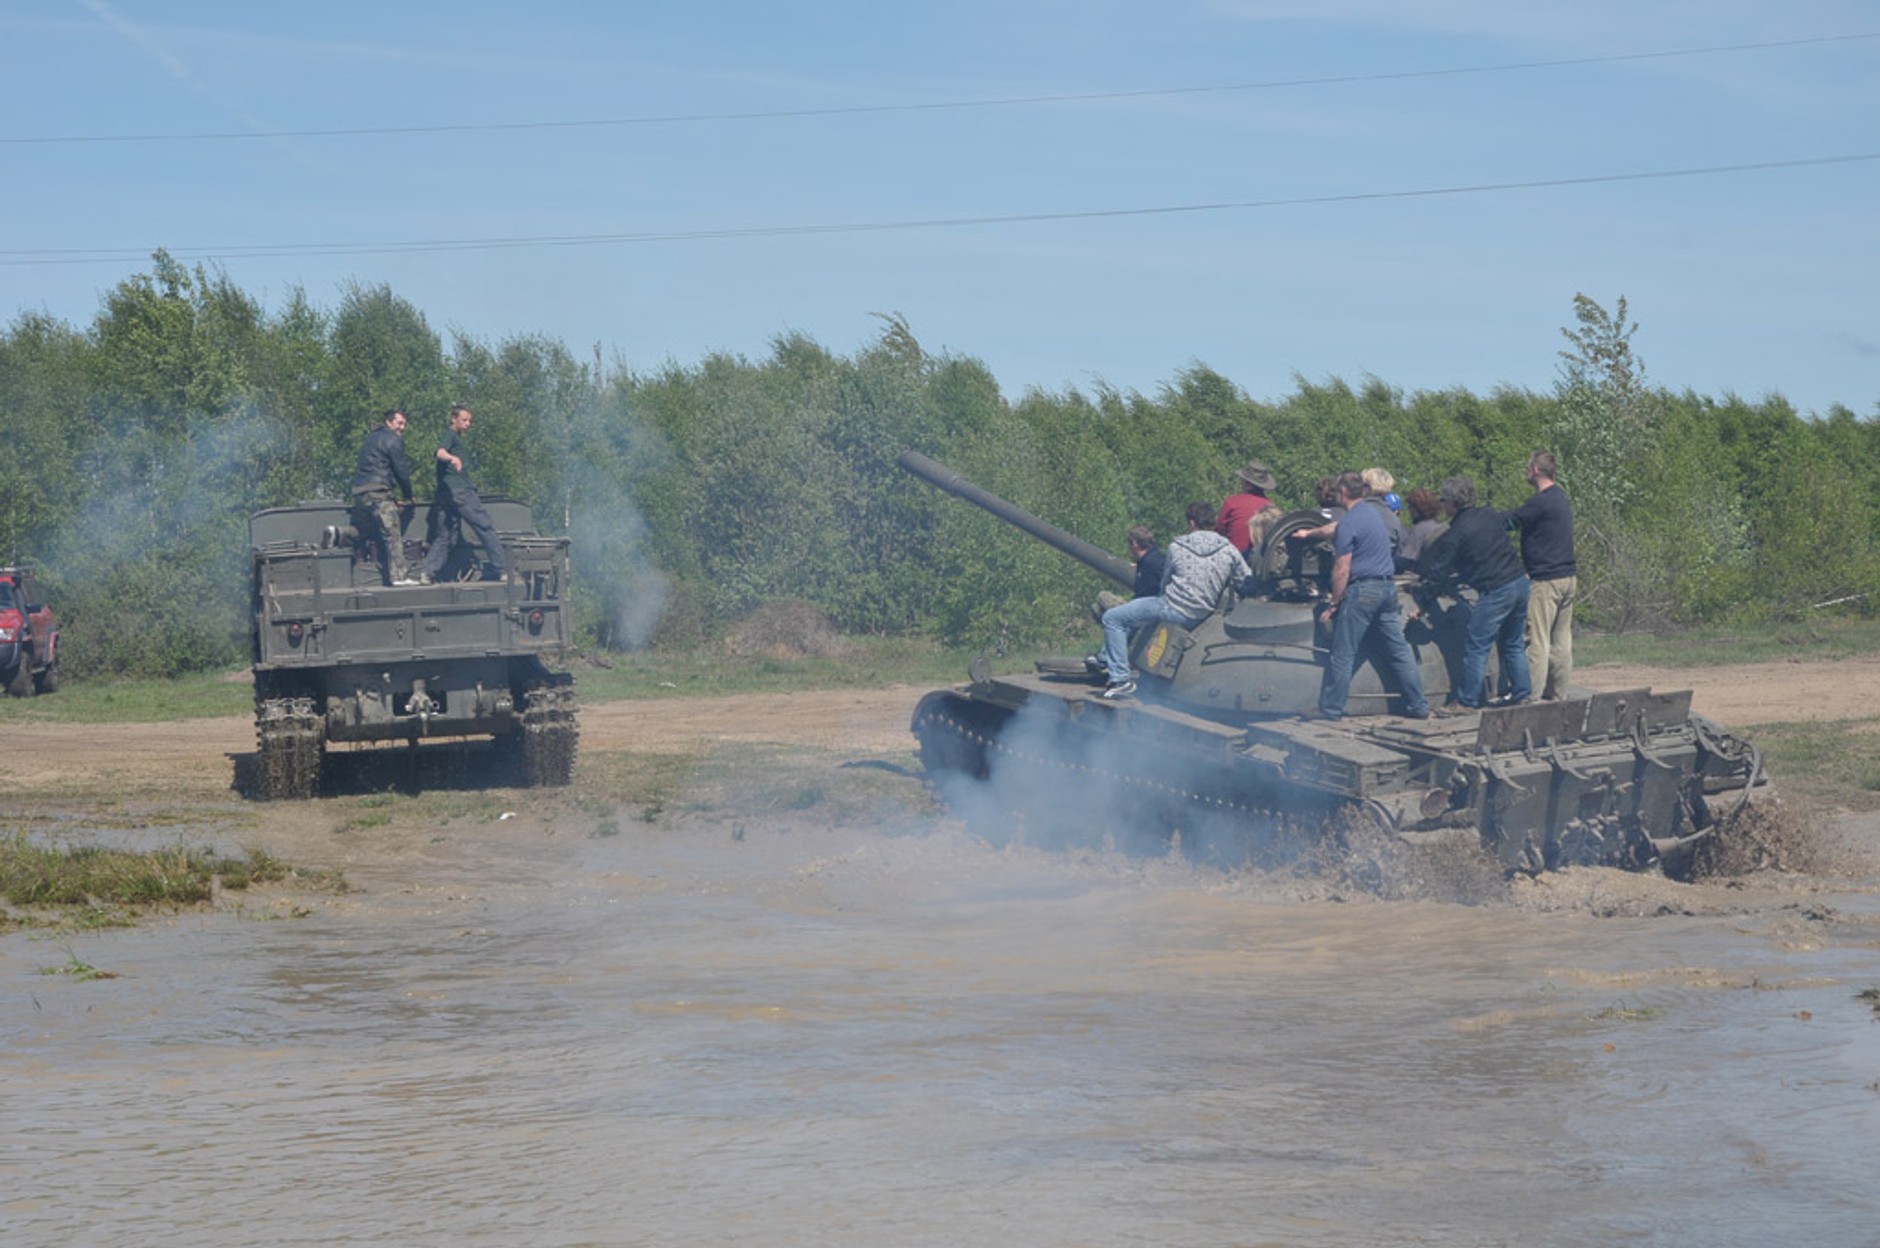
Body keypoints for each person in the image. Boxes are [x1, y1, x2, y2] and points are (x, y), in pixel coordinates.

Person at [1096, 502, 1250, 700]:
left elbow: (1165, 582)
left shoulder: (1177, 547)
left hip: (1172, 608)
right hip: (1203, 613)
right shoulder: (1229, 550)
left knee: (1113, 618)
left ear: (1192, 522)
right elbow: (1245, 580)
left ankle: (1119, 679)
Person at [1314, 472, 1430, 720]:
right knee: (1399, 651)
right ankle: (1419, 705)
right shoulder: (1373, 514)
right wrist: (1310, 534)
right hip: (1387, 589)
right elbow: (1335, 529)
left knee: (1343, 652)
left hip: (1362, 591)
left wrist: (1335, 603)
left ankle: (1331, 709)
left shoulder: (1349, 522)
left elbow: (1342, 568)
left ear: (1343, 493)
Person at [1419, 475, 1532, 710]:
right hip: (1520, 581)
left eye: (1443, 500)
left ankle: (1466, 701)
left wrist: (1424, 601)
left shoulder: (1456, 532)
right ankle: (1522, 693)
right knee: (1513, 643)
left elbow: (1439, 573)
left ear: (1453, 502)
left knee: (1476, 645)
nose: (1442, 504)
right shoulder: (1490, 515)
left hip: (1497, 589)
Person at [1505, 450, 1576, 700]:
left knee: (1538, 641)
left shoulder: (1541, 501)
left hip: (1546, 580)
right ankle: (1559, 695)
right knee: (1561, 642)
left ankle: (1531, 698)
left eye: (1528, 468)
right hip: (1568, 577)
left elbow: (1512, 521)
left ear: (1535, 470)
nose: (1527, 472)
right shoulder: (1560, 496)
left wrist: (1486, 521)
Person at [421, 404, 510, 584]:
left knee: (445, 535)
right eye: (464, 420)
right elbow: (440, 452)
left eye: (470, 421)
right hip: (460, 491)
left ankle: (427, 572)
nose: (468, 424)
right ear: (454, 419)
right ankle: (502, 569)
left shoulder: (455, 438)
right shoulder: (450, 436)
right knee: (484, 527)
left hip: (445, 495)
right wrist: (453, 458)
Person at [348, 408, 419, 586]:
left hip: (360, 491)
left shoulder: (370, 438)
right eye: (399, 423)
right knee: (392, 532)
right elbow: (400, 470)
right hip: (378, 490)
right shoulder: (393, 440)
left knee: (364, 529)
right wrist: (408, 495)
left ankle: (337, 532)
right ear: (389, 422)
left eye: (404, 424)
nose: (402, 428)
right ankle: (400, 577)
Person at [1094, 525, 1168, 618]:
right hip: (1156, 604)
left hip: (1150, 608)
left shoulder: (1148, 565)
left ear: (1134, 544)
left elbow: (1144, 594)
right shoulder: (1156, 558)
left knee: (1104, 602)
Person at [1215, 461, 1277, 556]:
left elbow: (1219, 531)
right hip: (1262, 561)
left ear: (1247, 483)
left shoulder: (1232, 503)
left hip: (1234, 558)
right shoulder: (1271, 507)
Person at [1396, 487, 1446, 572]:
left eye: (1410, 507)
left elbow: (1405, 561)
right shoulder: (1438, 526)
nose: (1409, 510)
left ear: (1416, 509)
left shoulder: (1419, 530)